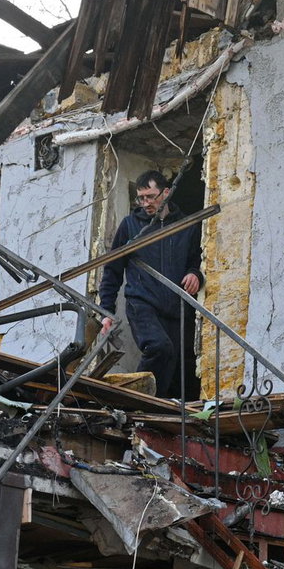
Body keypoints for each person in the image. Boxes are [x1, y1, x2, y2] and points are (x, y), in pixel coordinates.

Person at [98, 170, 203, 399]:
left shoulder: (186, 225)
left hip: (177, 306)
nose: (145, 203)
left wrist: (195, 274)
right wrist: (105, 310)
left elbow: (197, 259)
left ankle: (167, 411)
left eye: (151, 196)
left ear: (166, 193)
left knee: (181, 363)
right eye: (141, 198)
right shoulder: (131, 226)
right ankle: (137, 399)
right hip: (142, 302)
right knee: (158, 347)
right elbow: (112, 270)